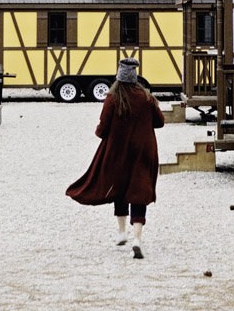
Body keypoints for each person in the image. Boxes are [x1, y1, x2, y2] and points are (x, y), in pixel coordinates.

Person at [66, 58, 164, 258]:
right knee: (139, 189)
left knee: (119, 186)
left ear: (118, 78)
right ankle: (137, 238)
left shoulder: (112, 98)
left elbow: (102, 128)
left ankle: (122, 233)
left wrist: (101, 132)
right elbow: (160, 122)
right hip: (144, 150)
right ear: (135, 78)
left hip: (118, 150)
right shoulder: (146, 97)